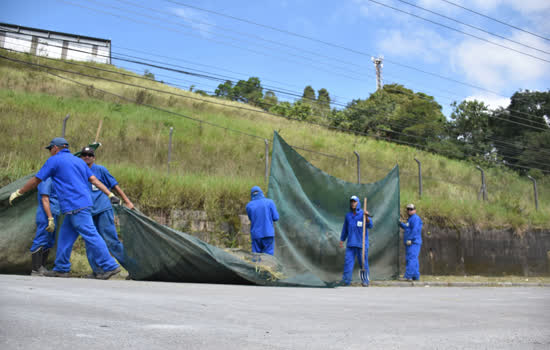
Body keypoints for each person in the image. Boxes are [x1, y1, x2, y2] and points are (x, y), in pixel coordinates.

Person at [9, 137, 121, 279]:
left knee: (91, 234)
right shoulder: (79, 162)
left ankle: (109, 266)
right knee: (65, 236)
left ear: (56, 148)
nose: (50, 152)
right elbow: (93, 180)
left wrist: (20, 192)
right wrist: (110, 194)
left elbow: (37, 179)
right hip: (77, 205)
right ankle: (61, 268)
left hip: (76, 206)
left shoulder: (54, 160)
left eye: (50, 149)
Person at [78, 146, 134, 277]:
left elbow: (115, 186)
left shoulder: (100, 170)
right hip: (88, 211)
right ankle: (98, 271)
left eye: (90, 155)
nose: (87, 157)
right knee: (90, 241)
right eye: (84, 155)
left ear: (94, 158)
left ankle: (133, 269)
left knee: (111, 240)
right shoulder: (78, 171)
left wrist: (127, 200)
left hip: (103, 208)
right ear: (81, 157)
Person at [339, 196, 372, 286]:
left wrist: (367, 217)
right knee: (348, 263)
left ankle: (365, 281)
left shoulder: (363, 214)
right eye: (352, 202)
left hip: (362, 244)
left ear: (358, 203)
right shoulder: (348, 216)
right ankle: (346, 280)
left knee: (363, 263)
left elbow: (370, 225)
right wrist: (342, 239)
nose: (353, 203)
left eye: (355, 202)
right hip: (351, 244)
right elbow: (345, 229)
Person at [30, 177, 60, 276]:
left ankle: (42, 267)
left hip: (54, 213)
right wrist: (50, 218)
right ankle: (36, 268)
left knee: (49, 241)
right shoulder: (47, 179)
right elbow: (45, 199)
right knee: (41, 239)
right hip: (46, 215)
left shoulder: (57, 179)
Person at [245, 186, 279, 255]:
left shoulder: (249, 206)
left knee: (256, 257)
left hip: (256, 235)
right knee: (268, 257)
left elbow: (251, 218)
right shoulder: (270, 202)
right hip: (268, 234)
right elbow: (276, 217)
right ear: (261, 192)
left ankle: (256, 265)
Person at [399, 203, 423, 281]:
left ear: (415, 210)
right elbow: (407, 227)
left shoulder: (415, 218)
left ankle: (408, 276)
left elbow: (415, 230)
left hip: (413, 242)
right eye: (408, 209)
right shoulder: (410, 219)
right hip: (411, 242)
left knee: (411, 259)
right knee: (414, 259)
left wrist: (410, 239)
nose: (409, 211)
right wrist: (400, 223)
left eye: (411, 209)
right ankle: (415, 276)